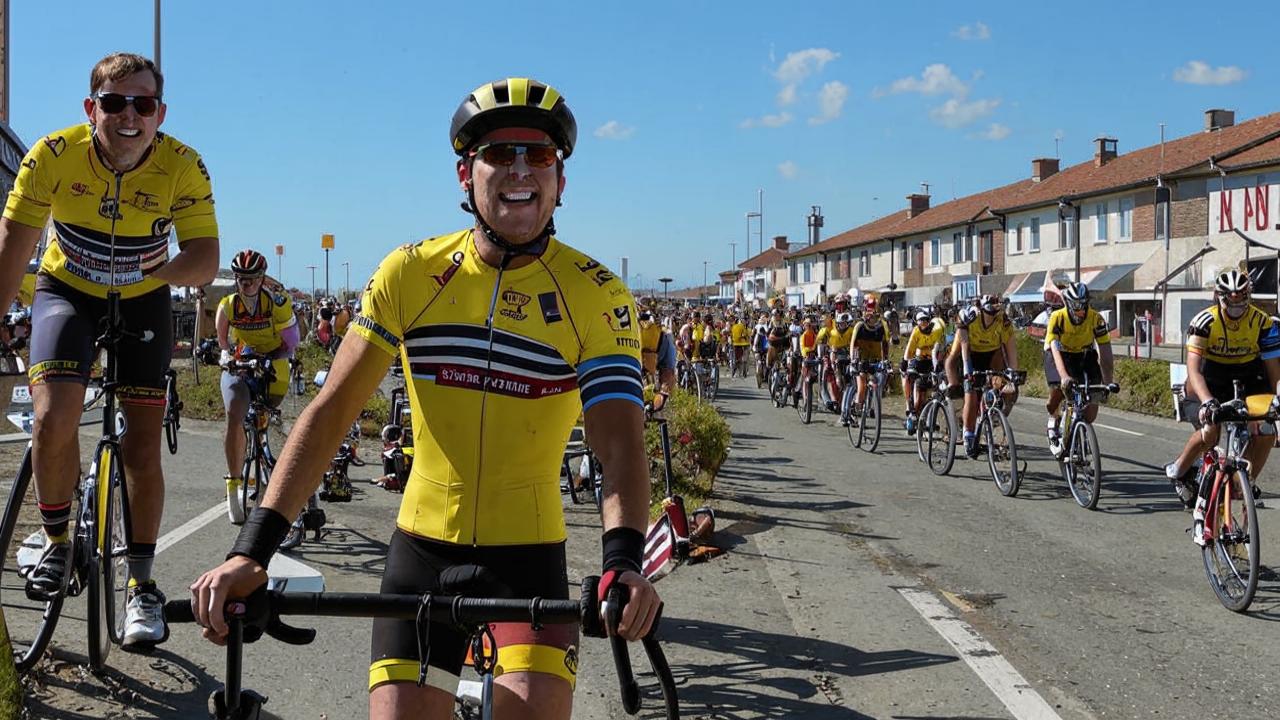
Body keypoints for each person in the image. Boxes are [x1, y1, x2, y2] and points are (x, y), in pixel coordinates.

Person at [189, 77, 659, 720]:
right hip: (422, 551)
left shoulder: (598, 295)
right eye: (499, 152)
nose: (520, 168)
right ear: (467, 175)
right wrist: (251, 550)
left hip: (529, 559)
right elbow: (332, 412)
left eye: (540, 154)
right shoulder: (410, 273)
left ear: (560, 183)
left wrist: (623, 560)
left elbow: (616, 440)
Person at [0, 52, 218, 650]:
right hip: (66, 290)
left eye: (142, 105)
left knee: (142, 448)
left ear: (159, 113)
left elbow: (204, 260)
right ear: (90, 108)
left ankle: (141, 585)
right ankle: (55, 540)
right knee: (52, 415)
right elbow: (12, 248)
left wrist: (163, 269)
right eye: (115, 102)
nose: (129, 116)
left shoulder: (183, 166)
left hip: (144, 298)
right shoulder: (52, 155)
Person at [1164, 270, 1280, 540]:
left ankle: (1245, 484)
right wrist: (1207, 402)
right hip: (1208, 381)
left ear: (1248, 297)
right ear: (1220, 298)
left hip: (1248, 379)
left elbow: (1275, 372)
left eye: (1242, 300)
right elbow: (1193, 368)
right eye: (1231, 301)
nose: (1237, 306)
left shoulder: (1263, 323)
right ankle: (1179, 470)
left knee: (1266, 429)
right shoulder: (1205, 321)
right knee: (1211, 432)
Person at [216, 249, 299, 523]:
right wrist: (226, 354)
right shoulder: (228, 305)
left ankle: (265, 455)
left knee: (270, 419)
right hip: (243, 361)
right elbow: (223, 343)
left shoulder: (277, 302)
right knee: (235, 413)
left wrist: (274, 358)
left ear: (262, 279)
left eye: (252, 279)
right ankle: (233, 486)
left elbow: (292, 342)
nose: (246, 285)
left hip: (275, 359)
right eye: (241, 279)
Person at [1042, 283, 1116, 457]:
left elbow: (1105, 352)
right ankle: (1054, 419)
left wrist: (1107, 383)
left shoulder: (1096, 319)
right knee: (1059, 390)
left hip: (1083, 354)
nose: (1080, 310)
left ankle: (1078, 430)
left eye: (1083, 305)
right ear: (1067, 303)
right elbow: (1054, 348)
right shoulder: (1057, 317)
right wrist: (1064, 377)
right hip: (1059, 354)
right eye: (1075, 306)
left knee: (1090, 408)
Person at [955, 294, 1020, 458]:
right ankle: (968, 434)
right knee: (971, 395)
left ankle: (991, 417)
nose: (994, 316)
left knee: (1004, 389)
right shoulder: (972, 318)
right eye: (990, 313)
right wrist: (968, 371)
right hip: (970, 356)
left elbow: (1011, 351)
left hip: (991, 357)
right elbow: (964, 346)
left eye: (996, 313)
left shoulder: (1003, 322)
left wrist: (1013, 373)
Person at [901, 308, 946, 435]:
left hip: (932, 361)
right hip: (919, 360)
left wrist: (940, 364)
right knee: (913, 383)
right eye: (921, 321)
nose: (923, 324)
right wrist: (905, 364)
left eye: (926, 320)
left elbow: (940, 350)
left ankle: (931, 418)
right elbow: (909, 352)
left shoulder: (936, 331)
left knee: (936, 388)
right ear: (916, 322)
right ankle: (911, 412)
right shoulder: (915, 332)